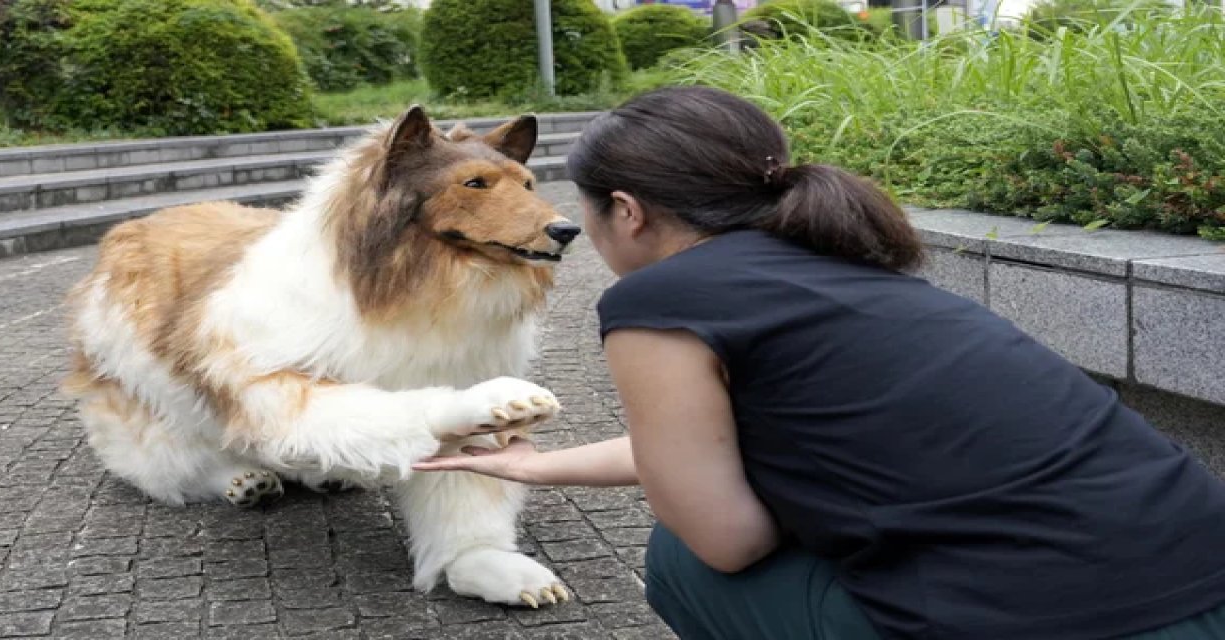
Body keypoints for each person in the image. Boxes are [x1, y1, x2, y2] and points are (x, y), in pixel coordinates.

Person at [412, 86, 1225, 640]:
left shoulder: (660, 299)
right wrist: (536, 466)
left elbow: (728, 539)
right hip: (1202, 580)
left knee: (683, 559)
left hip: (1061, 621)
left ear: (625, 211)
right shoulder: (845, 264)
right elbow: (705, 444)